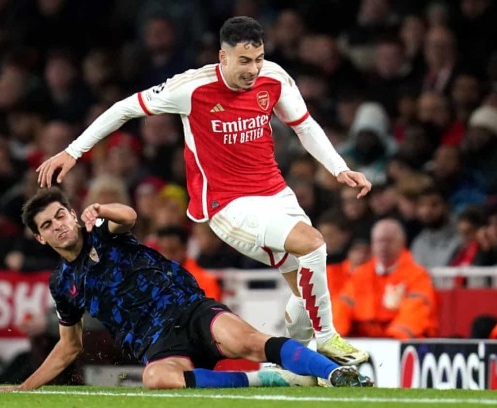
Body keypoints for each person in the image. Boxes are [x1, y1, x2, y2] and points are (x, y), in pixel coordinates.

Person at [36, 16, 372, 365]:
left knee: (304, 285)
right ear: (222, 57)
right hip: (227, 205)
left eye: (257, 59)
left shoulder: (274, 77)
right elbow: (124, 109)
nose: (253, 69)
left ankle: (296, 367)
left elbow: (304, 127)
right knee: (314, 244)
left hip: (275, 193)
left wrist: (340, 168)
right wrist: (73, 151)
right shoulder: (190, 88)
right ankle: (329, 338)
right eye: (244, 61)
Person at [0, 188, 372, 391]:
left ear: (73, 214)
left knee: (249, 342)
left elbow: (130, 216)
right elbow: (70, 345)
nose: (59, 225)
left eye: (61, 215)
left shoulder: (102, 232)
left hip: (188, 310)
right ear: (39, 237)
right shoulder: (63, 284)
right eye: (48, 225)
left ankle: (337, 372)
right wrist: (23, 387)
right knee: (157, 381)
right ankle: (270, 379)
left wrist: (100, 209)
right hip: (156, 343)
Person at [333, 219, 438, 340]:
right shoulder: (361, 274)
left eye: (389, 241)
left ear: (402, 243)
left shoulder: (418, 275)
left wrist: (393, 339)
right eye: (379, 241)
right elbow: (343, 304)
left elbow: (416, 310)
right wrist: (335, 335)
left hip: (402, 342)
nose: (383, 246)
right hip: (366, 341)